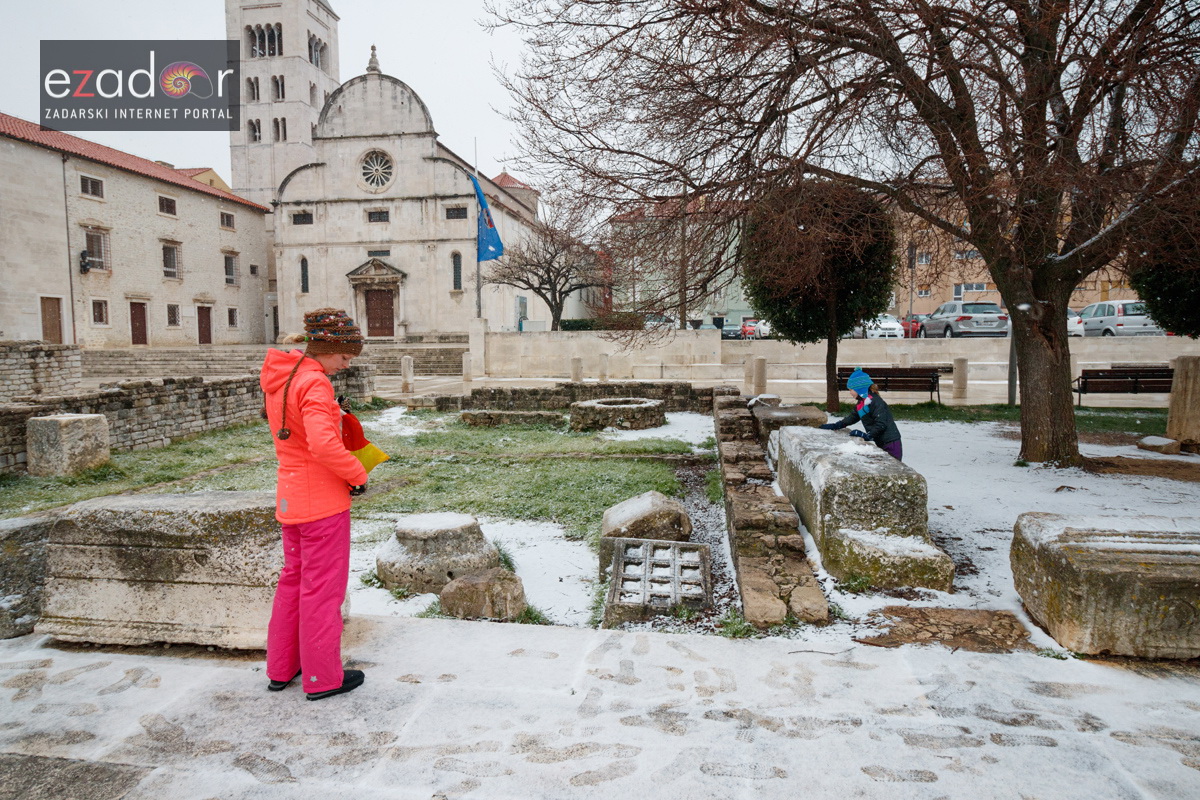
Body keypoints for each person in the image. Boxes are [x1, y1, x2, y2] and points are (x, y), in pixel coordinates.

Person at [260, 308, 369, 700]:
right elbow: (323, 444)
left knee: (293, 582)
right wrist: (358, 473)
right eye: (344, 357)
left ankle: (282, 667)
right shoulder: (316, 384)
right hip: (322, 503)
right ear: (326, 348)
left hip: (290, 498)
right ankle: (324, 677)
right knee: (322, 590)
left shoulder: (283, 376)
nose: (345, 365)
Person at [819, 368, 904, 461]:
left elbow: (881, 423)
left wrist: (867, 435)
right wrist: (836, 425)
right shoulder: (862, 403)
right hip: (882, 442)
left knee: (892, 468)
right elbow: (852, 417)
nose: (850, 393)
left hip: (891, 443)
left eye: (851, 390)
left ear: (859, 389)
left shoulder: (875, 401)